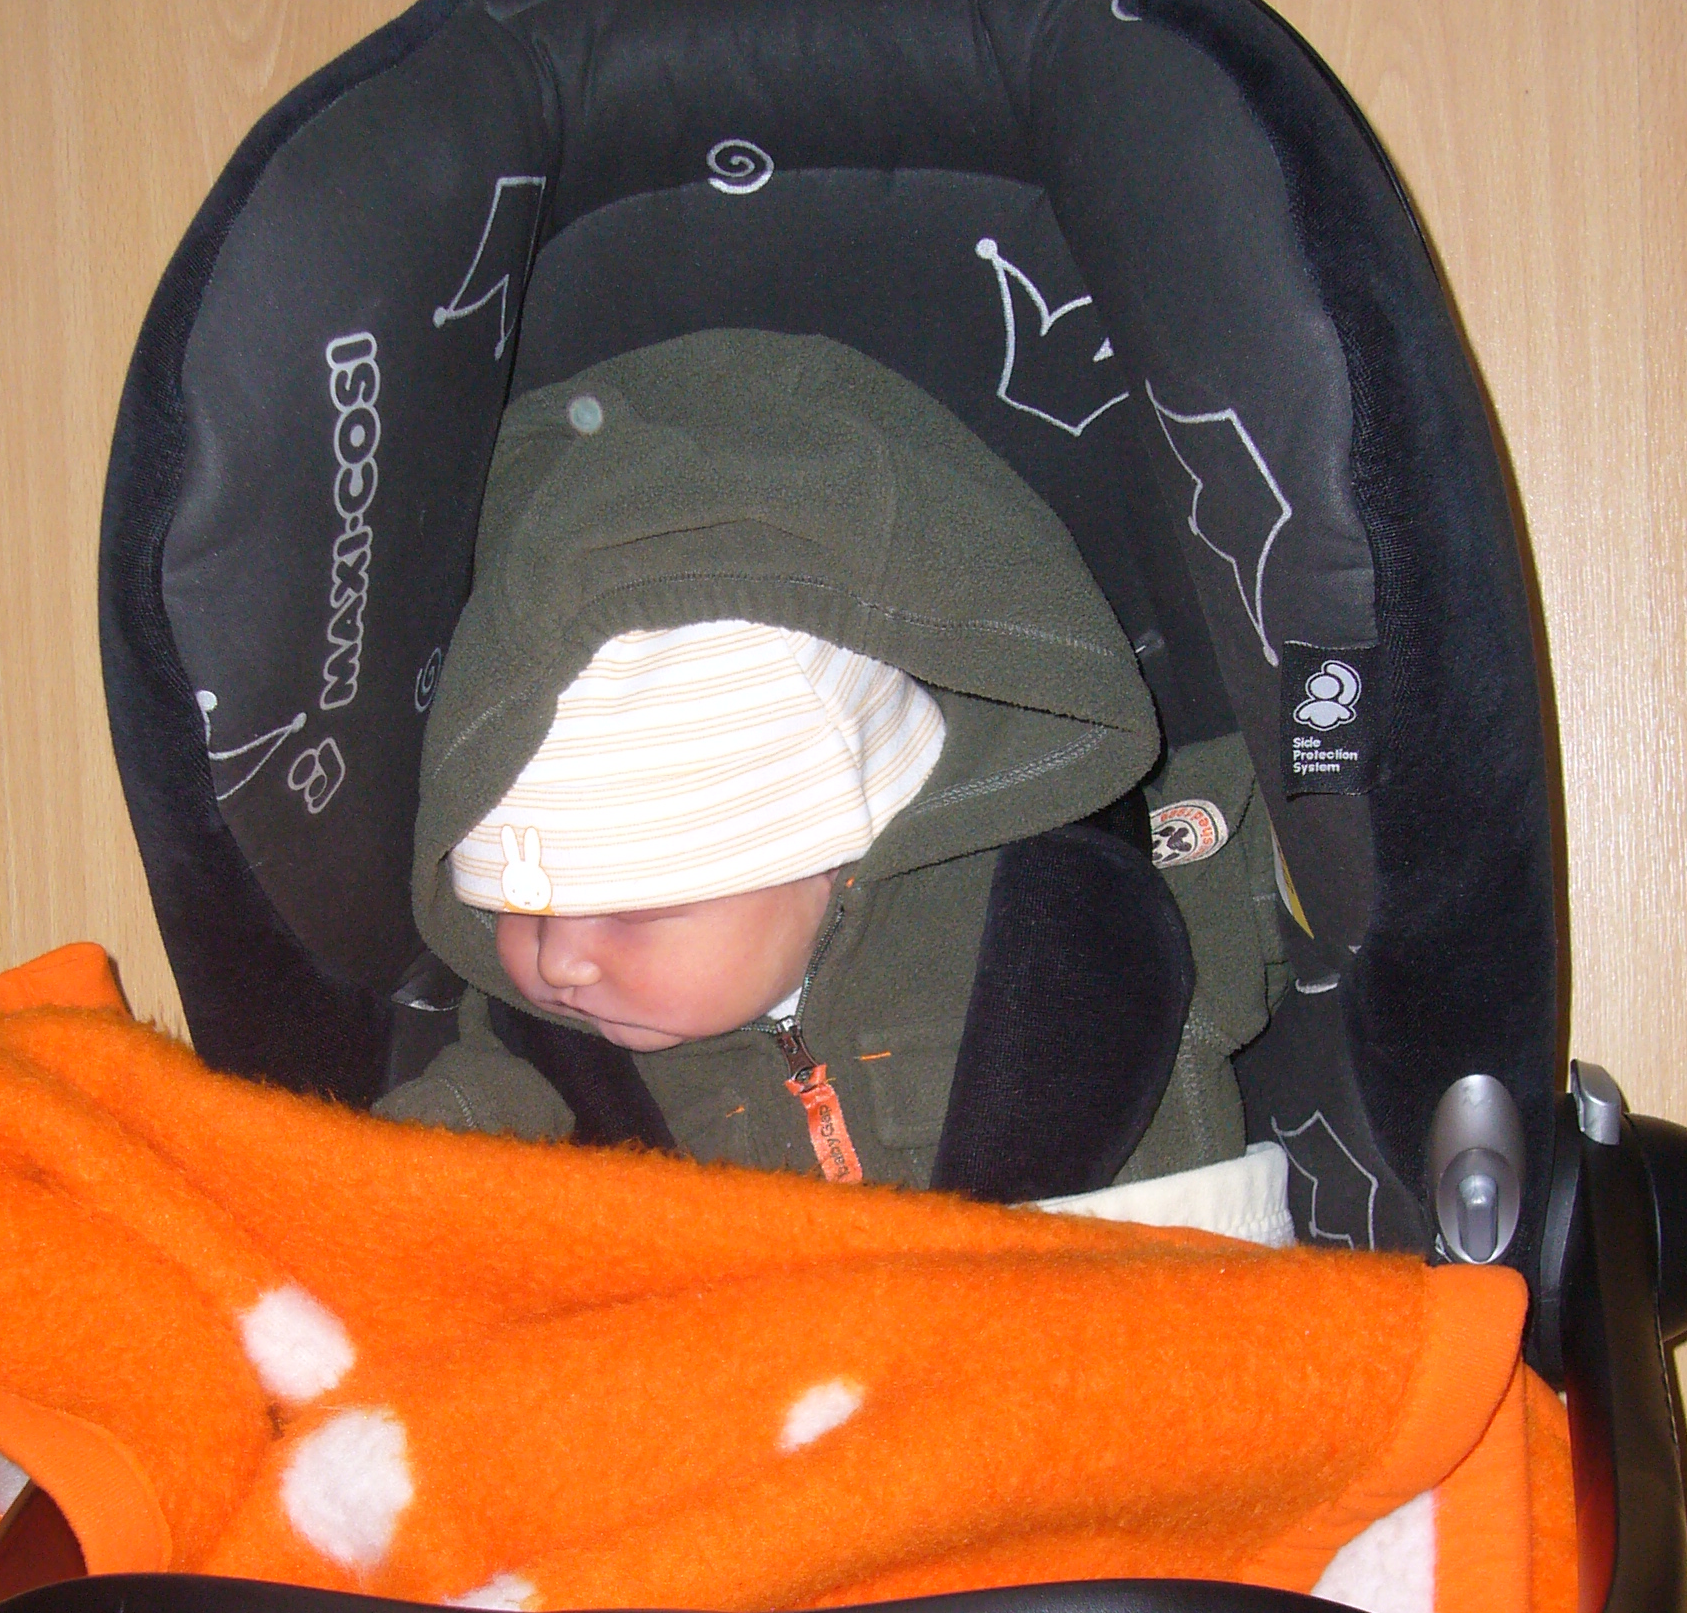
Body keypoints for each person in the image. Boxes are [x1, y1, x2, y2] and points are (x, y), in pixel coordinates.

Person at [382, 331, 1286, 1195]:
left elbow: (1284, 866)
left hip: (1122, 1283)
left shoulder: (1057, 903)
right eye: (521, 909)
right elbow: (433, 1149)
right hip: (776, 1305)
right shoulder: (548, 1052)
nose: (562, 963)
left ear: (833, 857)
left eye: (633, 911)